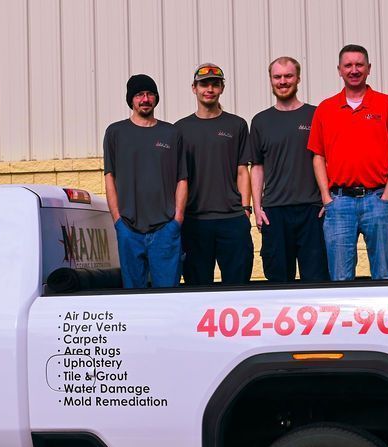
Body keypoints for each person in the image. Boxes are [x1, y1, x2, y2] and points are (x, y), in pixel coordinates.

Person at [308, 44, 388, 280]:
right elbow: (318, 156)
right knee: (340, 278)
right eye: (348, 65)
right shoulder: (326, 108)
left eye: (359, 64)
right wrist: (326, 198)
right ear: (339, 70)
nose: (354, 70)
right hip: (339, 203)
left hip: (377, 200)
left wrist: (387, 196)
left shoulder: (387, 104)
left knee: (383, 276)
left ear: (369, 68)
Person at [102, 74, 188, 288]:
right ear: (131, 99)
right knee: (133, 299)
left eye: (150, 94)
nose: (145, 99)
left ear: (156, 98)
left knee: (168, 295)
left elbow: (182, 179)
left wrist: (176, 219)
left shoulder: (171, 133)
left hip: (165, 229)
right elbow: (109, 177)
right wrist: (118, 221)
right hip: (129, 229)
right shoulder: (116, 133)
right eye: (139, 94)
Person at [249, 57, 330, 283]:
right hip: (274, 212)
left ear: (298, 79)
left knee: (316, 280)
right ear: (271, 80)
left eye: (288, 76)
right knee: (278, 280)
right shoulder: (260, 121)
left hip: (313, 211)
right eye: (277, 77)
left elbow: (327, 159)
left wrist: (328, 198)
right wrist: (258, 207)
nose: (283, 81)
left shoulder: (316, 115)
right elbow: (256, 166)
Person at [175, 63, 253, 285]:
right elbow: (178, 178)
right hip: (194, 221)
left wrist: (245, 210)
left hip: (232, 219)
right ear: (194, 88)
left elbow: (242, 170)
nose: (209, 89)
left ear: (222, 88)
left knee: (238, 287)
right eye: (203, 84)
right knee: (197, 288)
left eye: (214, 84)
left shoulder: (237, 125)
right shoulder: (180, 129)